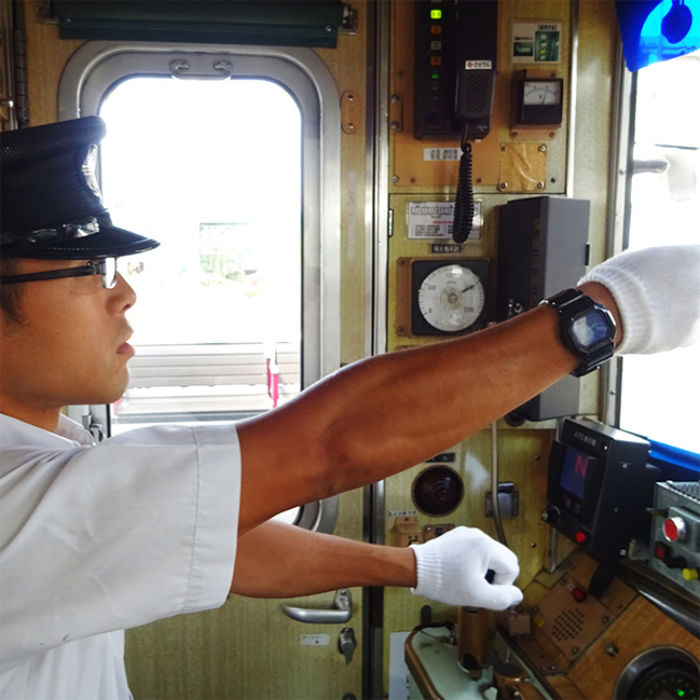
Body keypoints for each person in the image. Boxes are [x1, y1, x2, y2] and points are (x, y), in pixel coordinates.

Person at [1, 117, 698, 700]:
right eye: (87, 270)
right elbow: (329, 443)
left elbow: (218, 540)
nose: (123, 295)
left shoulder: (44, 448)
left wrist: (416, 569)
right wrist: (611, 310)